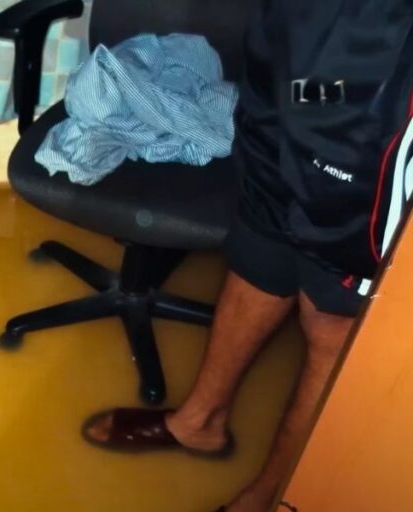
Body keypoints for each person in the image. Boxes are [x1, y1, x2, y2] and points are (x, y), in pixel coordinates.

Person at [80, 1, 413, 511]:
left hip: (381, 87)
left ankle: (274, 496)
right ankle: (200, 422)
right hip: (294, 58)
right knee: (261, 250)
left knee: (333, 320)